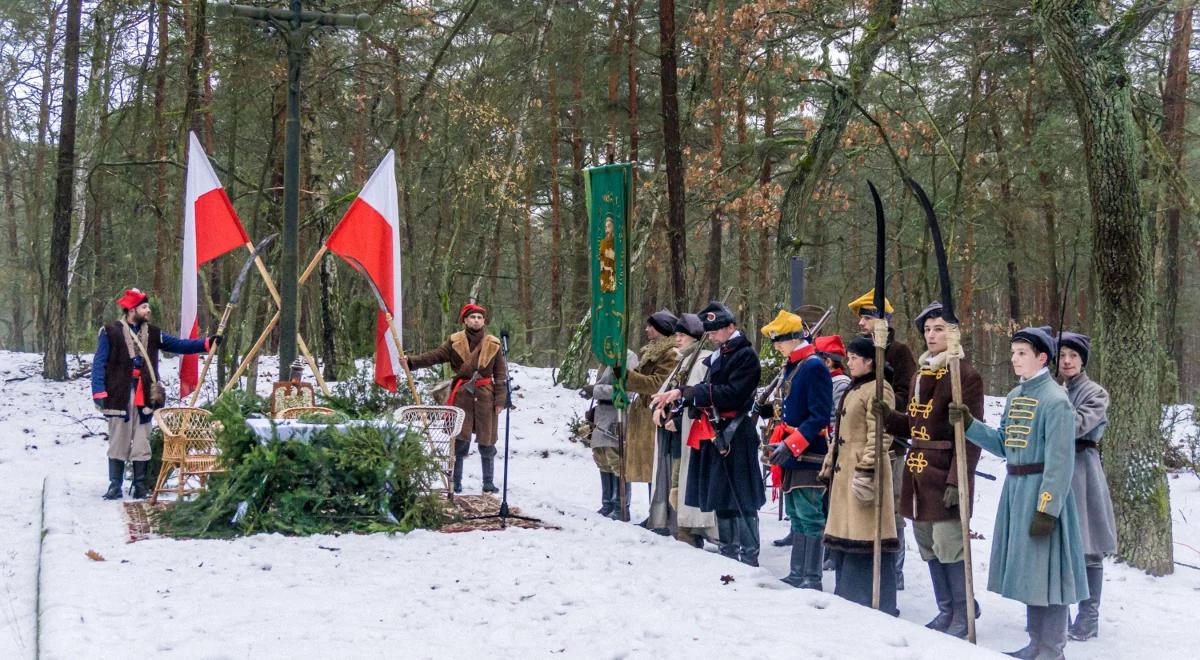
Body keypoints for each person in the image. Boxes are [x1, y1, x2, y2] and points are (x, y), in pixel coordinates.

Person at [951, 326, 1089, 660]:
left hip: (1043, 494)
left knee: (1050, 575)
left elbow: (1060, 462)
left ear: (1042, 358)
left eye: (1022, 353)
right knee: (1031, 573)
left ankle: (1053, 648)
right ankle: (1035, 642)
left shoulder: (1056, 401)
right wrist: (970, 425)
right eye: (1013, 353)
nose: (1014, 359)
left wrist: (1047, 508)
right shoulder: (1015, 396)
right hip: (1016, 492)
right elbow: (1003, 444)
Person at [875, 302, 984, 638]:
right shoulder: (923, 373)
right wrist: (890, 417)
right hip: (918, 472)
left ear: (953, 333)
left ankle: (964, 612)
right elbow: (913, 424)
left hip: (944, 470)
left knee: (949, 543)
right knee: (927, 544)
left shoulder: (965, 375)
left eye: (939, 329)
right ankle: (946, 609)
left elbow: (971, 435)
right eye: (927, 330)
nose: (932, 336)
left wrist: (957, 480)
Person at [652, 302, 764, 566]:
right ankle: (728, 550)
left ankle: (748, 555)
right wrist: (680, 396)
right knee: (721, 495)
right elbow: (704, 388)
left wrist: (690, 393)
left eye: (715, 331)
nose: (711, 336)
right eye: (709, 331)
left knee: (742, 497)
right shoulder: (720, 354)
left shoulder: (745, 355)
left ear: (730, 327)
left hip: (735, 432)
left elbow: (733, 394)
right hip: (714, 432)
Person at [92, 289, 216, 499]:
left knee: (142, 441)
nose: (148, 310)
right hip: (119, 394)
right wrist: (99, 392)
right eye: (144, 307)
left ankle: (140, 485)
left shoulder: (154, 333)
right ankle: (115, 485)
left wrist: (205, 343)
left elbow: (178, 345)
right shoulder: (109, 331)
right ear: (132, 310)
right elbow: (99, 364)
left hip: (145, 395)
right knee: (118, 440)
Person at [820, 336, 898, 613]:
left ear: (869, 361)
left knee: (865, 536)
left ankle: (871, 600)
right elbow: (841, 434)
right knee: (847, 535)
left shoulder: (879, 389)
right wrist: (830, 464)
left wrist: (867, 469)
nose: (849, 362)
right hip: (845, 472)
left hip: (864, 473)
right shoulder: (855, 389)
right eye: (848, 357)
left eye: (854, 357)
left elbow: (880, 434)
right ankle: (848, 594)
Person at [758, 310, 832, 588]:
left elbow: (819, 416)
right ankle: (798, 572)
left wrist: (791, 444)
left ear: (793, 338)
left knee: (810, 515)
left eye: (780, 341)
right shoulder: (794, 365)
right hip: (792, 451)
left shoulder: (813, 366)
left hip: (809, 453)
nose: (776, 346)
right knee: (797, 515)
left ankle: (811, 578)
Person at [848, 288, 916, 589]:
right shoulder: (864, 351)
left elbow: (906, 395)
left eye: (866, 317)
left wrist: (886, 407)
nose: (862, 324)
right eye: (862, 319)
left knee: (894, 505)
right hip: (862, 439)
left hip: (891, 439)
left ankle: (895, 569)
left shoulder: (899, 352)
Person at [402, 303, 508, 494]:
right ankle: (456, 482)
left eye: (479, 317)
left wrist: (501, 400)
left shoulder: (494, 343)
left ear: (484, 321)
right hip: (462, 397)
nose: (476, 320)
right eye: (472, 317)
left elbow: (500, 374)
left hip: (486, 396)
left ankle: (488, 482)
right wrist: (411, 362)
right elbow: (434, 356)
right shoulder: (454, 341)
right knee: (459, 440)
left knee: (488, 441)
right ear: (465, 320)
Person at [1058, 331, 1116, 642]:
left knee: (1088, 549)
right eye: (1063, 355)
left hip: (1083, 473)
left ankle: (1088, 617)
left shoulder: (1096, 393)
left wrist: (1051, 410)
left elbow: (1076, 425)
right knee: (1061, 547)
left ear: (1082, 361)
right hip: (1056, 470)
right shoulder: (1055, 391)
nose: (1067, 361)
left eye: (1073, 356)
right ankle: (1058, 614)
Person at [652, 313, 718, 545]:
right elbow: (667, 391)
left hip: (689, 433)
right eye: (677, 334)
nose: (677, 339)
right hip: (673, 435)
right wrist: (659, 410)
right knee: (674, 480)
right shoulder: (682, 361)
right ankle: (679, 526)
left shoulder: (703, 361)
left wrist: (678, 421)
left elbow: (698, 398)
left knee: (683, 481)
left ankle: (689, 531)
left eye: (682, 335)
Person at [625, 310, 681, 527]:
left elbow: (657, 383)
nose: (647, 329)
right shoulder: (649, 351)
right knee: (649, 468)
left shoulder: (670, 353)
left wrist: (628, 376)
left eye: (651, 326)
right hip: (644, 412)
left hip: (658, 412)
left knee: (656, 467)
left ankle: (660, 515)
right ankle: (654, 511)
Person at [581, 350, 639, 519]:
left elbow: (626, 389)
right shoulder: (607, 356)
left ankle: (620, 506)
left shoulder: (627, 356)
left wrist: (596, 390)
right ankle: (607, 503)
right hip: (602, 413)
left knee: (616, 459)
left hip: (616, 413)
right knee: (602, 458)